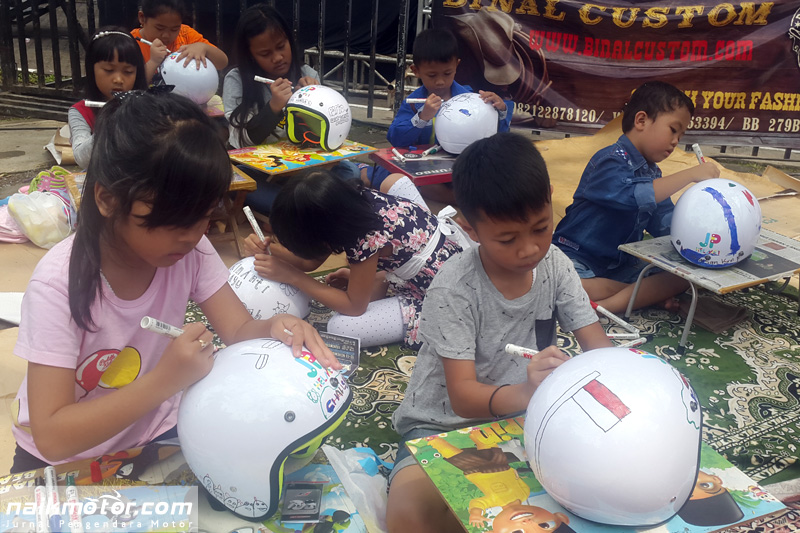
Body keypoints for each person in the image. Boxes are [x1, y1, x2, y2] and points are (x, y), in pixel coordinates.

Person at [9, 90, 340, 472]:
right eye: (174, 218)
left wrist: (273, 326)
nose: (191, 234)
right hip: (65, 459)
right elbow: (52, 434)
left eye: (203, 215)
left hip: (155, 433)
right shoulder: (57, 284)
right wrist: (166, 380)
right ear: (107, 199)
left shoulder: (190, 250)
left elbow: (239, 328)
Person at [386, 132, 612, 533]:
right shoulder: (455, 287)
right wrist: (527, 393)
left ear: (550, 199)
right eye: (507, 239)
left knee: (602, 484)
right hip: (442, 423)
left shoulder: (556, 266)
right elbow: (463, 397)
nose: (529, 249)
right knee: (411, 512)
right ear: (471, 230)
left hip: (529, 415)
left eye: (541, 228)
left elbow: (600, 350)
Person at [242, 171, 464, 349]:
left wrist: (292, 276)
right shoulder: (349, 205)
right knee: (394, 181)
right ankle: (378, 280)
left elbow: (354, 307)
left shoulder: (366, 239)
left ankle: (438, 322)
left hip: (450, 299)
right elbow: (311, 261)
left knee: (341, 327)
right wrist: (268, 248)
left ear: (323, 234)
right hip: (444, 254)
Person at [552, 81, 720, 313]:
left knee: (684, 278)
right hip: (577, 257)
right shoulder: (609, 160)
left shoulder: (653, 173)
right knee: (561, 282)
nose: (676, 142)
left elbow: (665, 224)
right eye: (673, 130)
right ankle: (622, 301)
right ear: (641, 120)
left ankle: (617, 298)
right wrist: (690, 174)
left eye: (681, 135)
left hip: (621, 265)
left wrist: (706, 238)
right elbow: (632, 196)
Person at [223, 4, 362, 215]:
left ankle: (309, 209)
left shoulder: (306, 73)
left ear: (290, 40)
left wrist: (316, 99)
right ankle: (310, 210)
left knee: (349, 170)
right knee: (244, 183)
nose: (278, 57)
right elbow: (240, 141)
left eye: (281, 46)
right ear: (250, 55)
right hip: (257, 169)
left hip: (301, 169)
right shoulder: (237, 80)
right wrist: (273, 108)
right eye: (265, 53)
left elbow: (327, 137)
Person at [365, 28, 513, 193]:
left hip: (459, 167)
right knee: (390, 179)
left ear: (457, 65)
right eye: (432, 75)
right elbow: (395, 138)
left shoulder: (470, 99)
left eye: (447, 73)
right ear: (416, 71)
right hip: (421, 167)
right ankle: (363, 172)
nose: (441, 81)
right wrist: (422, 117)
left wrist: (499, 111)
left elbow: (495, 138)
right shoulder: (414, 103)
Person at [68, 28, 147, 169]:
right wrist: (112, 122)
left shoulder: (146, 105)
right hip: (102, 184)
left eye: (128, 72)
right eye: (109, 70)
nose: (118, 79)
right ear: (91, 70)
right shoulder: (80, 111)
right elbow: (81, 158)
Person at [131, 0, 228, 84]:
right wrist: (153, 62)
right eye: (159, 28)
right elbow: (132, 86)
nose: (166, 35)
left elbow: (222, 63)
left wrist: (203, 47)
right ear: (142, 18)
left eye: (174, 29)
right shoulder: (130, 43)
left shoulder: (186, 34)